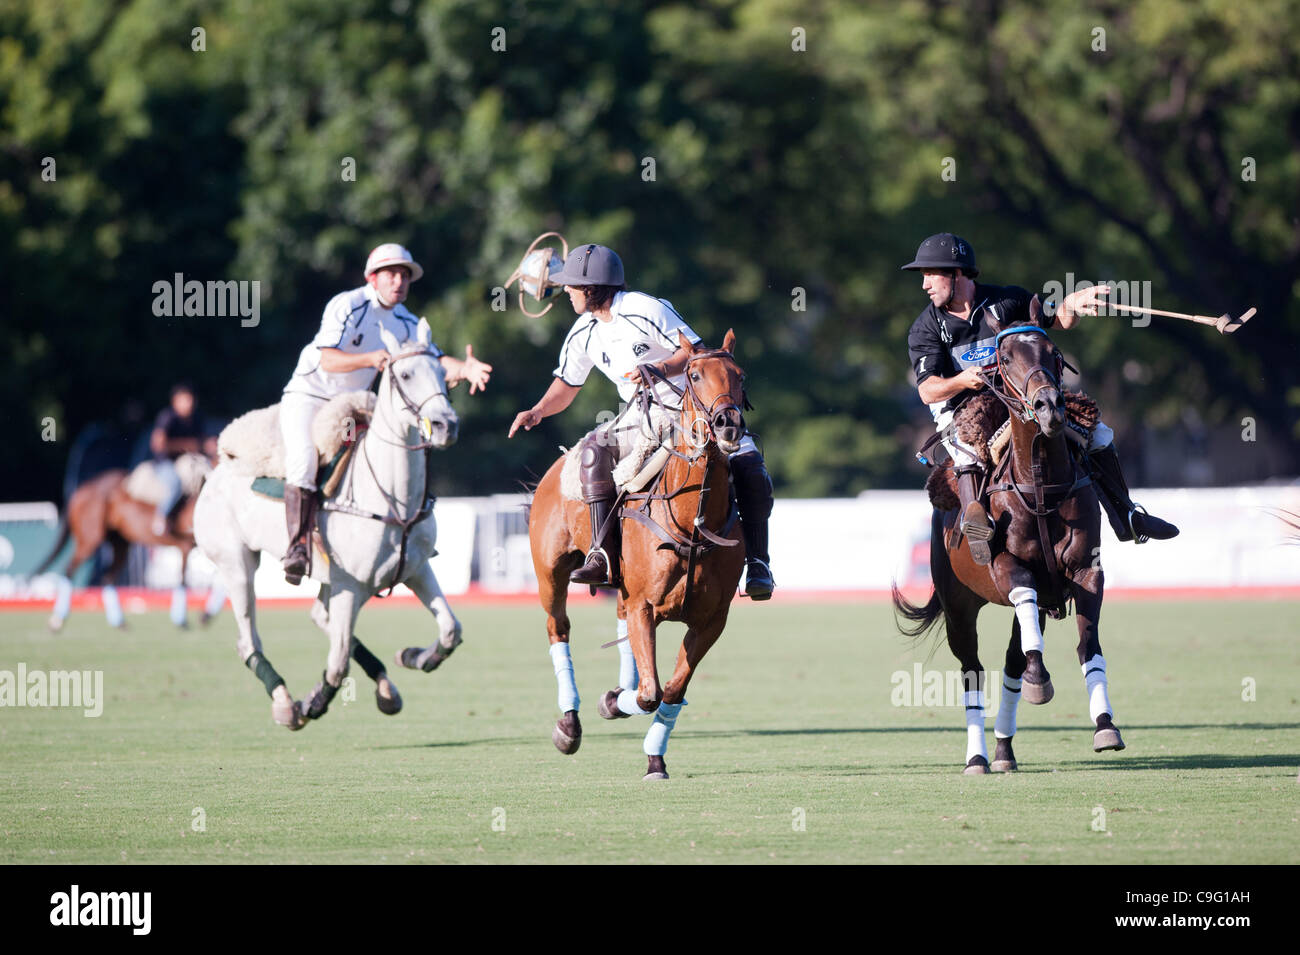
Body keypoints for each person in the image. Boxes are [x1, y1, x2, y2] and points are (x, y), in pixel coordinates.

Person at [508, 243, 775, 598]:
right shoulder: (582, 332)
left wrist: (659, 367)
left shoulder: (644, 308)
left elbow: (694, 352)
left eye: (571, 285)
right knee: (591, 452)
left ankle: (758, 563)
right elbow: (568, 384)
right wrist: (539, 410)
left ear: (589, 288)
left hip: (691, 405)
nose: (565, 291)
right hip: (643, 413)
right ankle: (602, 553)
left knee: (750, 465)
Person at [902, 232, 1178, 566]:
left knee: (1097, 432)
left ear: (956, 273)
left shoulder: (1008, 301)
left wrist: (1073, 303)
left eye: (931, 274)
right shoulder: (925, 328)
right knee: (967, 453)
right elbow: (927, 389)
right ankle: (979, 527)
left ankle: (1127, 516)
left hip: (1017, 399)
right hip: (964, 409)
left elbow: (1057, 319)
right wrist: (963, 379)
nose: (925, 285)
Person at [279, 243, 492, 584]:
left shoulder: (406, 321)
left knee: (380, 455)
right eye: (391, 274)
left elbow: (434, 362)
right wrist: (371, 358)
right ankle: (297, 547)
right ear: (372, 278)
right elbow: (327, 359)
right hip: (310, 397)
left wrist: (465, 369)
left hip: (351, 410)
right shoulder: (348, 305)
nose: (399, 282)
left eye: (405, 276)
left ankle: (394, 533)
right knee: (304, 458)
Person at [149, 382, 215, 536]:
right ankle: (160, 517)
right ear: (175, 401)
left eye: (191, 399)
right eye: (185, 399)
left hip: (189, 460)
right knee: (175, 484)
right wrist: (190, 445)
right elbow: (158, 445)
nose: (189, 403)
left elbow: (202, 441)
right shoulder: (167, 417)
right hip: (166, 463)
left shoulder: (197, 417)